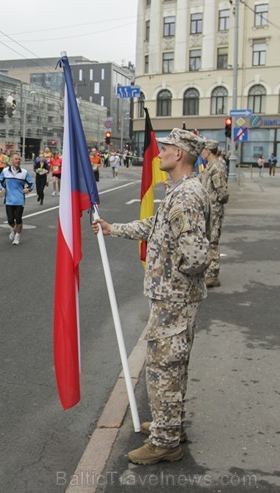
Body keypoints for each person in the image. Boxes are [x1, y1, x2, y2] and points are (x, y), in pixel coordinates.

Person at [92, 128, 211, 466]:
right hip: (173, 297)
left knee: (165, 367)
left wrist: (171, 275)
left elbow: (196, 257)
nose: (160, 153)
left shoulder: (186, 195)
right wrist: (114, 228)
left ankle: (165, 442)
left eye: (167, 148)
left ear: (181, 154)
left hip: (175, 299)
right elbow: (154, 227)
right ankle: (167, 425)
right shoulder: (180, 191)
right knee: (171, 365)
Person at [200, 139, 230, 288]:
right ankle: (208, 272)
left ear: (208, 151)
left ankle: (212, 275)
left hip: (214, 210)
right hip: (209, 210)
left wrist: (214, 202)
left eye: (203, 150)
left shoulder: (216, 168)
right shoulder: (210, 166)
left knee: (212, 242)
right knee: (208, 240)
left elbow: (223, 193)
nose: (201, 153)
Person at [0, 152, 34, 245]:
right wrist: (2, 188)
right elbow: (0, 180)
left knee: (18, 219)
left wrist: (28, 189)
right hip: (9, 200)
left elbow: (31, 184)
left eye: (19, 159)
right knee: (10, 220)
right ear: (11, 161)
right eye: (16, 159)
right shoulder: (5, 171)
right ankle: (13, 229)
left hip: (19, 200)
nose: (18, 161)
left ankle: (17, 236)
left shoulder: (24, 172)